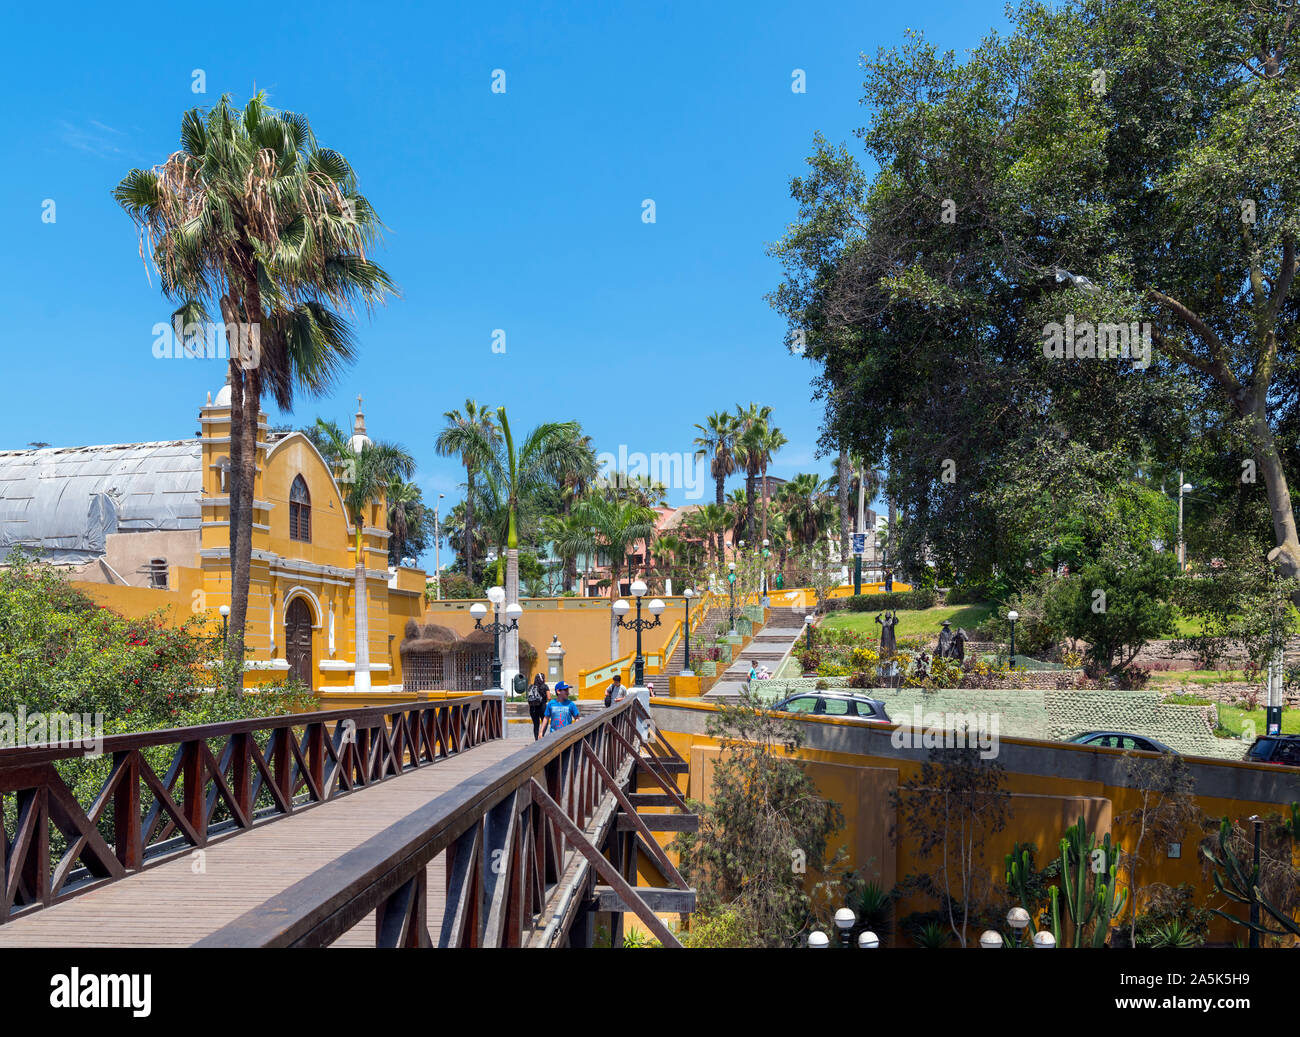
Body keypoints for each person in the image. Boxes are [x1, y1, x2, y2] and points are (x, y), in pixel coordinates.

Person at [526, 672, 550, 741]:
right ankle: (541, 735)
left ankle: (536, 740)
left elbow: (529, 698)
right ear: (543, 679)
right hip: (542, 707)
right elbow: (549, 697)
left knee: (536, 725)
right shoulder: (545, 686)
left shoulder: (531, 686)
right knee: (545, 722)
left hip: (533, 708)